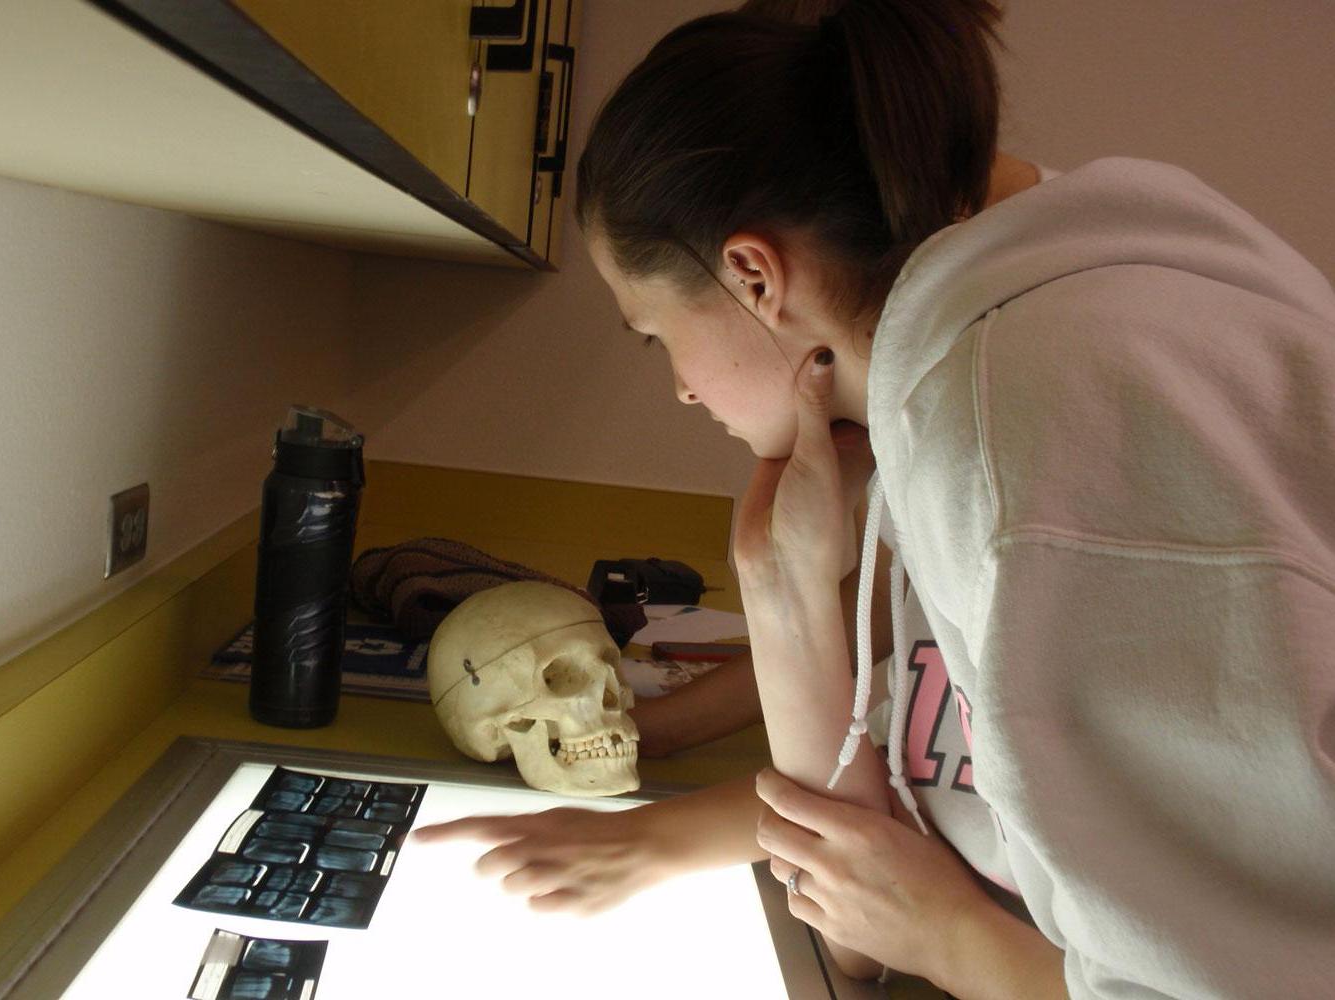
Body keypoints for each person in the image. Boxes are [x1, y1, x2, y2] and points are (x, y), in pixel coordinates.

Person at [415, 2, 1335, 996]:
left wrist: (941, 936)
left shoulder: (1026, 427)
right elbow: (877, 873)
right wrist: (778, 582)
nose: (681, 386)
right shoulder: (985, 338)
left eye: (654, 333)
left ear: (753, 274)